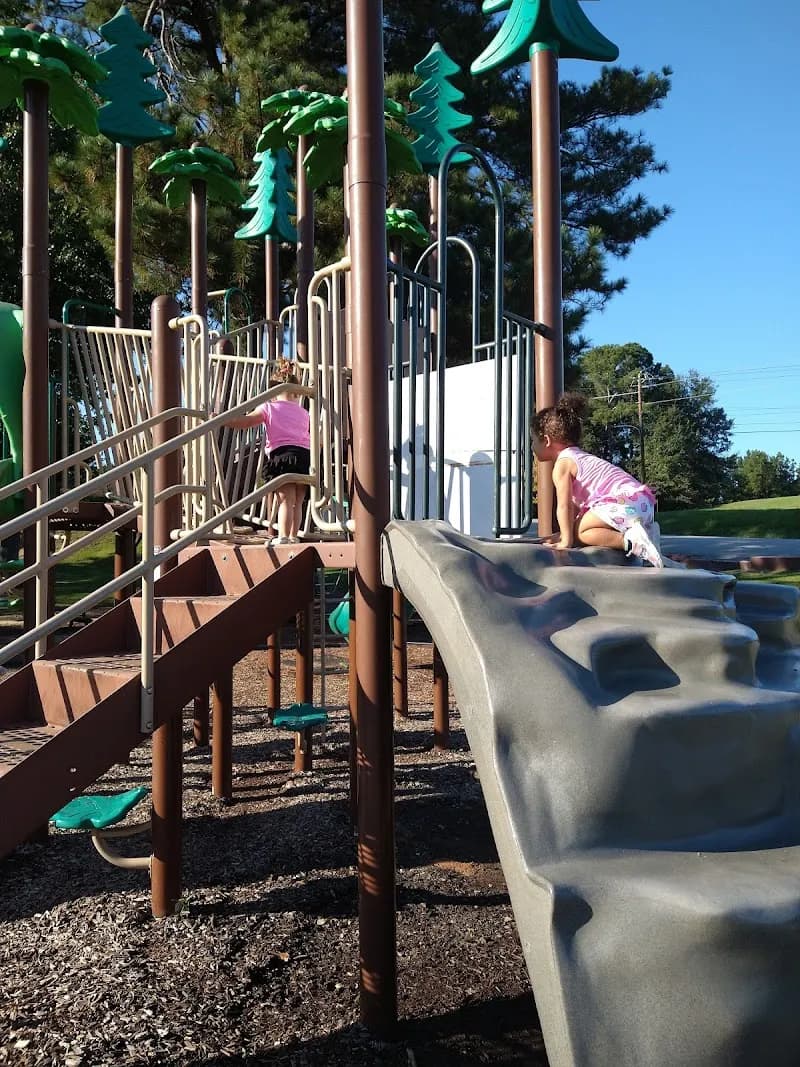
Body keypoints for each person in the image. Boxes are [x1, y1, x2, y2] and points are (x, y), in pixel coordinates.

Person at [531, 392, 664, 567]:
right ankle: (648, 534)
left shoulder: (562, 464)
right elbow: (578, 513)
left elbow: (565, 506)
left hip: (625, 503)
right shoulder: (579, 457)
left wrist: (567, 541)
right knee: (578, 529)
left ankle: (633, 542)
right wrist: (564, 533)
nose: (532, 446)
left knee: (580, 533)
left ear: (546, 440)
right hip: (640, 502)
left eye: (533, 440)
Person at [224, 360, 311, 545]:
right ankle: (294, 535)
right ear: (297, 391)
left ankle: (283, 537)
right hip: (304, 456)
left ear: (272, 392)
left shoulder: (269, 408)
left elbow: (245, 422)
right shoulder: (303, 412)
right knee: (298, 500)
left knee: (285, 500)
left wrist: (224, 420)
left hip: (282, 455)